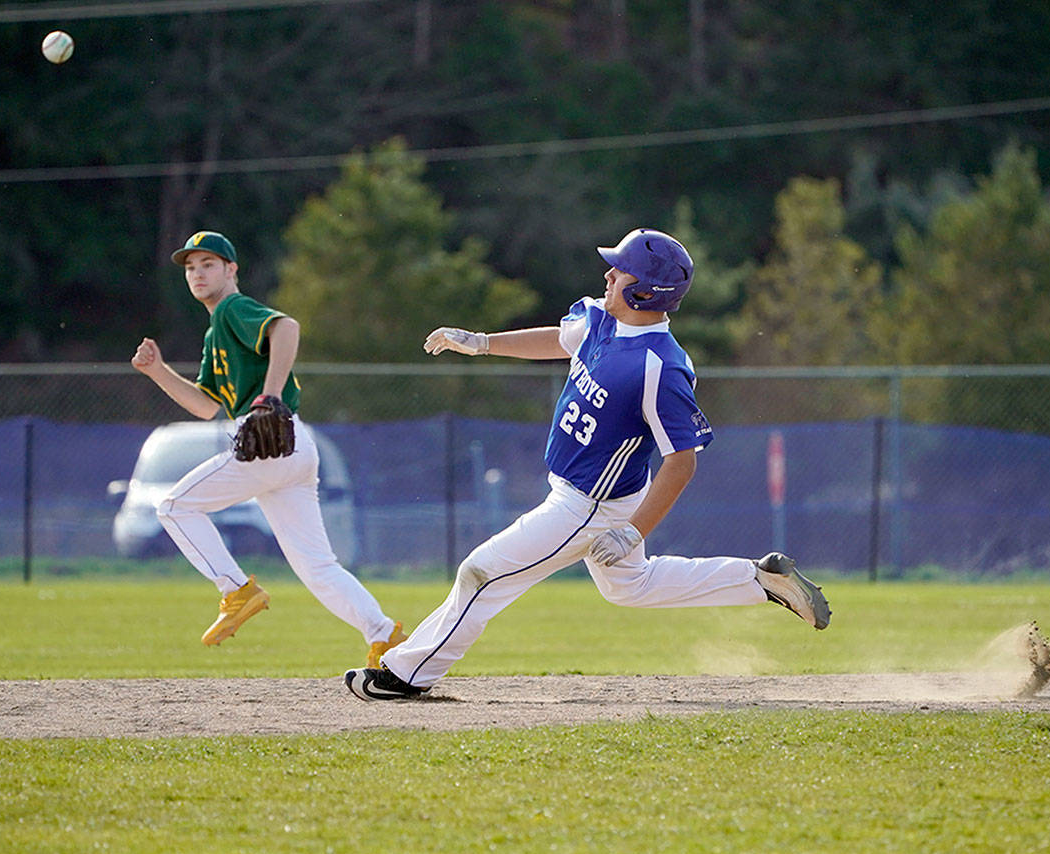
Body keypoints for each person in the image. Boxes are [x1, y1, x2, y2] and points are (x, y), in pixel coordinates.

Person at [344, 228, 829, 701]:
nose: (609, 273)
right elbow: (560, 339)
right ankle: (759, 579)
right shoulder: (600, 319)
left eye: (621, 270)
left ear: (642, 290)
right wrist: (482, 342)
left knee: (482, 572)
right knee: (630, 587)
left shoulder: (660, 365)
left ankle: (408, 673)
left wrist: (632, 531)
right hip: (586, 493)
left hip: (590, 504)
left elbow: (682, 462)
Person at [131, 230, 406, 665]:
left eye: (208, 264)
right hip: (291, 446)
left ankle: (236, 589)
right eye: (191, 268)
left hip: (269, 438)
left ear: (231, 269)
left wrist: (270, 396)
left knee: (173, 507)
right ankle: (383, 633)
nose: (198, 274)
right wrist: (158, 372)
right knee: (317, 566)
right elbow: (206, 407)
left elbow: (286, 327)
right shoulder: (214, 334)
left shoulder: (233, 309)